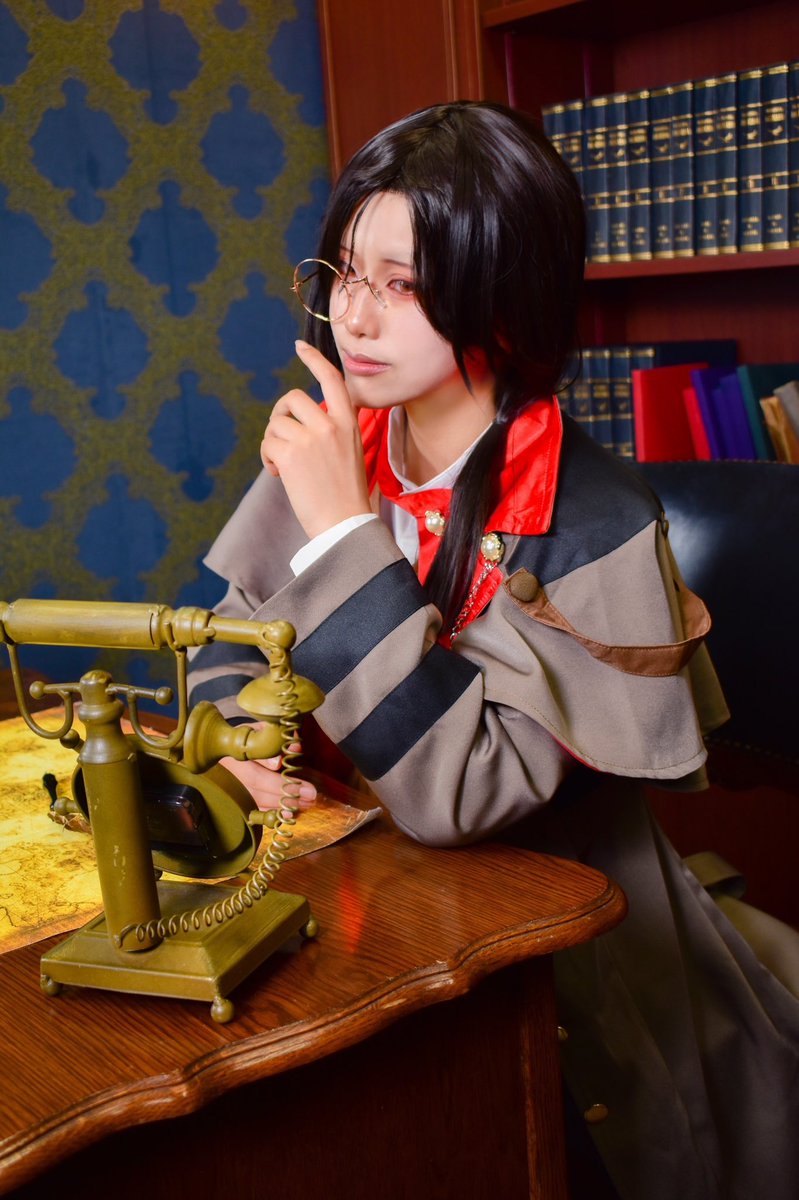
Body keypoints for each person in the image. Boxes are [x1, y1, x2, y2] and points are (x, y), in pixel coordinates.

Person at [187, 102, 799, 1200]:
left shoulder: (595, 519)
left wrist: (339, 536)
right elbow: (230, 641)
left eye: (402, 284)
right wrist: (243, 744)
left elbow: (461, 797)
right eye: (343, 273)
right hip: (358, 907)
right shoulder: (344, 444)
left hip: (565, 964)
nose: (352, 315)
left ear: (504, 300)